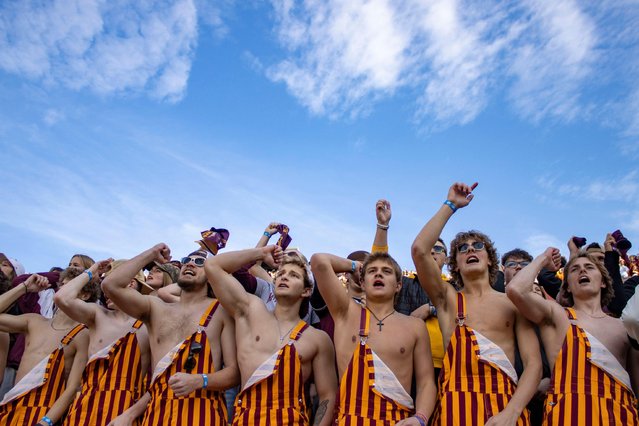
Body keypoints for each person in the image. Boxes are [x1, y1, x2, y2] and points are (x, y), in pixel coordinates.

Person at [411, 182, 541, 425]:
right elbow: (419, 250)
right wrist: (451, 205)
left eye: (477, 246)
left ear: (490, 260)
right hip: (454, 409)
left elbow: (533, 364)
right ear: (456, 264)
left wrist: (511, 414)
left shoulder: (512, 303)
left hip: (504, 408)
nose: (470, 249)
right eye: (462, 248)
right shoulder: (447, 299)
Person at [101, 245, 239, 425]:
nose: (190, 264)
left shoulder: (221, 310)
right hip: (156, 413)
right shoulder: (156, 308)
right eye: (186, 261)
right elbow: (110, 285)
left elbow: (234, 372)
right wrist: (151, 254)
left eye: (199, 262)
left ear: (211, 274)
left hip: (202, 413)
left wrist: (201, 380)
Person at [205, 245, 337, 425]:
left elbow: (327, 396)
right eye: (281, 273)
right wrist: (260, 253)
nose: (284, 277)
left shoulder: (318, 339)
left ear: (306, 291)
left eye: (294, 275)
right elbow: (213, 266)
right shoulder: (250, 311)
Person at [507, 248, 639, 424]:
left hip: (621, 417)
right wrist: (544, 259)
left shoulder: (624, 327)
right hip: (567, 415)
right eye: (575, 269)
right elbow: (516, 289)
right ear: (567, 285)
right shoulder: (557, 315)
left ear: (603, 283)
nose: (582, 270)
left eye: (590, 267)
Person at [312, 251, 436, 425]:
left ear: (398, 285)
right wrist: (356, 266)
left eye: (386, 271)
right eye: (372, 271)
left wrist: (420, 418)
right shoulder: (345, 313)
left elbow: (426, 382)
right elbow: (319, 262)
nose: (378, 273)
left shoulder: (415, 326)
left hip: (396, 421)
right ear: (362, 283)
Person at [53, 259, 151, 426]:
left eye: (108, 283)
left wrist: (130, 415)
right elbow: (62, 297)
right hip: (83, 409)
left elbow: (160, 379)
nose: (104, 291)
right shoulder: (98, 315)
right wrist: (93, 271)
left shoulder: (149, 324)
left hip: (122, 411)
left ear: (131, 284)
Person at [0, 273, 89, 426]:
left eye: (69, 287)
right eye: (61, 285)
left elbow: (72, 387)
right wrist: (24, 288)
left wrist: (46, 421)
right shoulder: (34, 321)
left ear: (85, 295)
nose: (61, 290)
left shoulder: (82, 334)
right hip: (12, 406)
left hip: (44, 412)